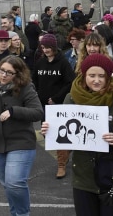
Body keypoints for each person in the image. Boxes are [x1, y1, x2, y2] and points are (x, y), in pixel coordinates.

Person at [41, 54, 113, 216]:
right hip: (83, 177)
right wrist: (48, 131)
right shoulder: (71, 98)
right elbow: (63, 136)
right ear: (84, 75)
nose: (96, 80)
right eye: (92, 76)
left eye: (102, 76)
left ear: (108, 77)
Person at [0, 56, 43, 216]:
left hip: (20, 143)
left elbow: (38, 112)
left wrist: (14, 111)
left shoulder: (26, 87)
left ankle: (22, 214)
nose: (4, 75)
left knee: (15, 183)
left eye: (9, 73)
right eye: (2, 70)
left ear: (18, 75)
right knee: (8, 185)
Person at [32, 33, 76, 179]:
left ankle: (61, 164)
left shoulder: (63, 63)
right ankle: (66, 153)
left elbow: (70, 82)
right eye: (43, 47)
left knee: (59, 134)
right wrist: (37, 97)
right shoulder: (39, 63)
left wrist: (57, 98)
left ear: (54, 47)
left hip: (59, 105)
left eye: (48, 47)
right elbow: (34, 81)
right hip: (43, 105)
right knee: (46, 133)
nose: (46, 50)